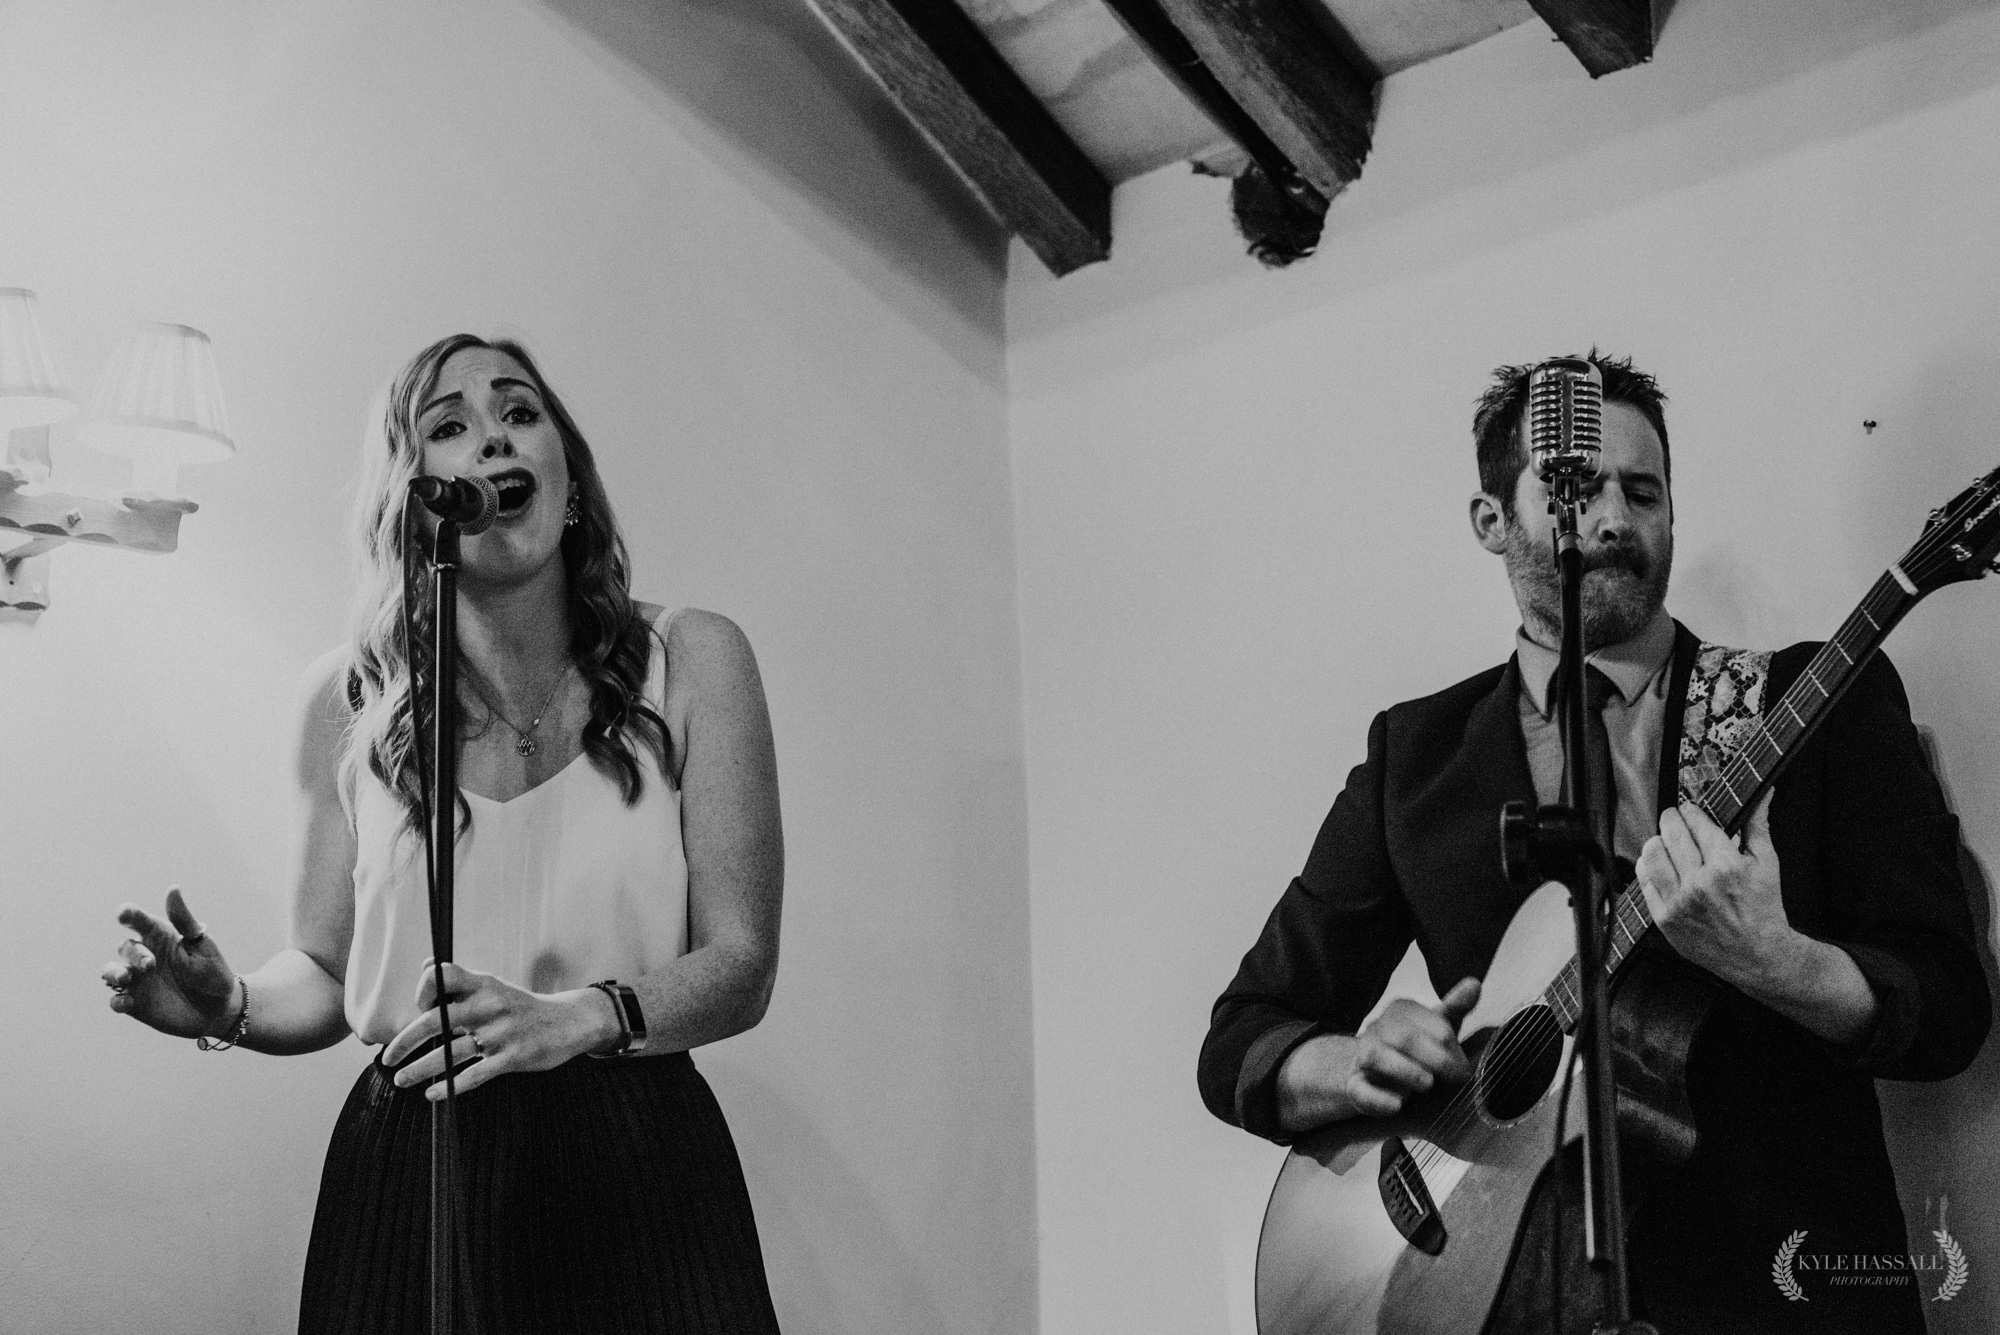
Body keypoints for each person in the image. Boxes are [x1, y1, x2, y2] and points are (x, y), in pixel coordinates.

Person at [1198, 353, 1990, 1333]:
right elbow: (1240, 1034)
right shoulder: (1412, 761)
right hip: (1490, 1303)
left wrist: (1776, 961)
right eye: (1573, 487)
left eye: (1642, 491)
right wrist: (1350, 1065)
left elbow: (1950, 1008)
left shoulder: (1809, 704)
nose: (1613, 518)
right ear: (1490, 521)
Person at [100, 334, 785, 1334]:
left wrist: (579, 1018)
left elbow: (742, 963)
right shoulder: (346, 700)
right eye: (448, 427)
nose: (490, 442)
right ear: (412, 497)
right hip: (414, 1159)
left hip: (635, 1150)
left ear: (570, 482)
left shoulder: (693, 659)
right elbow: (329, 977)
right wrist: (230, 1005)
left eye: (518, 413)